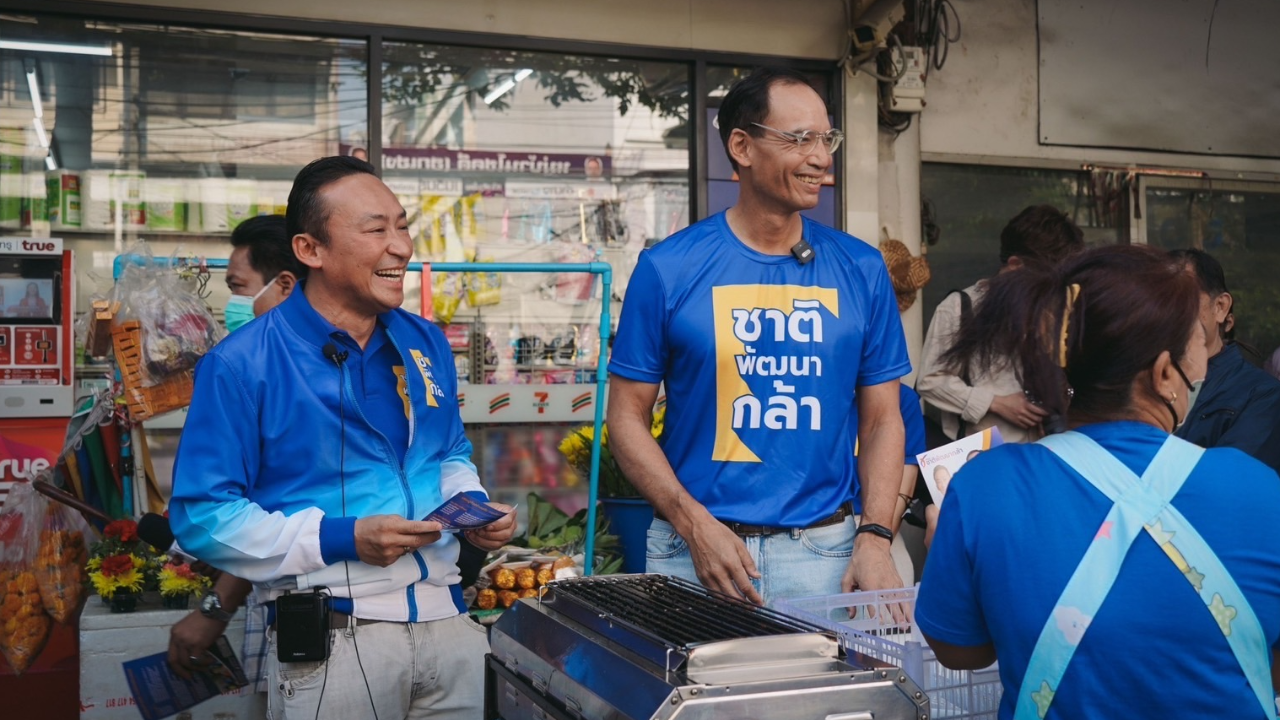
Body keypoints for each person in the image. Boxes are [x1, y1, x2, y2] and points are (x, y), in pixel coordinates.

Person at [169, 156, 515, 720]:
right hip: (337, 640)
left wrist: (473, 510)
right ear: (311, 250)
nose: (400, 246)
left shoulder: (424, 341)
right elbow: (203, 517)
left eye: (402, 225)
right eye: (376, 229)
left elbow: (447, 451)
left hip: (452, 628)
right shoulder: (241, 363)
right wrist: (341, 538)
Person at [917, 244, 1280, 719]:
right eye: (1199, 348)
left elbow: (960, 651)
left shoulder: (984, 486)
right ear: (1165, 374)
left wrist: (944, 547)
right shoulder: (1258, 488)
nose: (1206, 365)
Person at [607, 67, 911, 606]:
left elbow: (884, 417)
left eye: (827, 138)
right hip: (695, 552)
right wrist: (692, 524)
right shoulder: (667, 268)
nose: (821, 157)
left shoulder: (861, 269)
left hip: (827, 556)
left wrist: (876, 534)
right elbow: (626, 417)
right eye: (799, 139)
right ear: (742, 147)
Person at [166, 214, 300, 689]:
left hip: (302, 611)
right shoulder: (255, 361)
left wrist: (216, 607)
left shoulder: (256, 369)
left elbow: (271, 508)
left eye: (237, 287)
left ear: (284, 285)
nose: (232, 304)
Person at [917, 205, 1085, 445]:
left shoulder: (1055, 312)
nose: (1048, 291)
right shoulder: (959, 307)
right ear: (1015, 264)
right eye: (1043, 281)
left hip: (1043, 454)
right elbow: (930, 380)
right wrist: (996, 403)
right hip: (982, 456)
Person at [1168, 248, 1280, 473]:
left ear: (1220, 307)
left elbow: (1231, 480)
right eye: (1155, 300)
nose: (1164, 311)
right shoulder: (1137, 381)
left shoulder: (1262, 395)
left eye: (1180, 299)